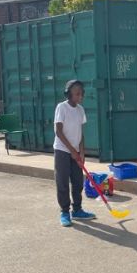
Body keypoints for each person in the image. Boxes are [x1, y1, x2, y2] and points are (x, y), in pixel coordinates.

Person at [54, 79, 95, 227]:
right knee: (63, 182)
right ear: (69, 94)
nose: (80, 96)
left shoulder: (80, 110)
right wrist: (72, 150)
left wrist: (82, 152)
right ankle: (65, 212)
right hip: (62, 150)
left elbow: (81, 133)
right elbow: (58, 132)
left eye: (81, 93)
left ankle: (77, 210)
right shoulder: (62, 107)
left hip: (76, 152)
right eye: (77, 93)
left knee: (78, 181)